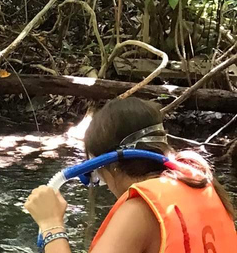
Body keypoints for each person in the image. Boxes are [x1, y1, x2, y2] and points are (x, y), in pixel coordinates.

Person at [25, 97, 236, 253]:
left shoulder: (140, 210)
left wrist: (51, 225)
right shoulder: (203, 186)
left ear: (110, 165)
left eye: (97, 175)